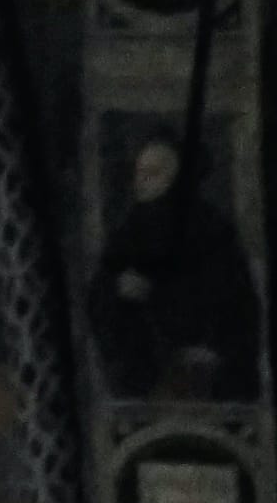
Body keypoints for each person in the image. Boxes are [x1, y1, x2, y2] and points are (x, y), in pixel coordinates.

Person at [89, 134, 261, 400]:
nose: (140, 182)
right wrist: (117, 289)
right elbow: (101, 292)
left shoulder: (211, 229)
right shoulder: (129, 232)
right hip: (143, 376)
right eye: (139, 173)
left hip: (207, 370)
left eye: (153, 173)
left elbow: (233, 302)